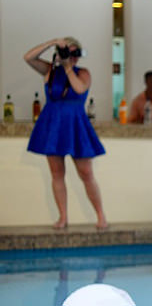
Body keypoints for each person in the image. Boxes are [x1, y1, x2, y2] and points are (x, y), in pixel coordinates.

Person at [23, 37, 107, 229]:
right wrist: (52, 43)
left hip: (75, 124)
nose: (71, 56)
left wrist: (68, 66)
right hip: (52, 125)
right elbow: (28, 57)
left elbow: (79, 88)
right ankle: (63, 217)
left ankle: (101, 216)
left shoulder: (83, 73)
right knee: (57, 173)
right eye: (67, 52)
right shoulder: (50, 71)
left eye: (74, 52)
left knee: (86, 173)